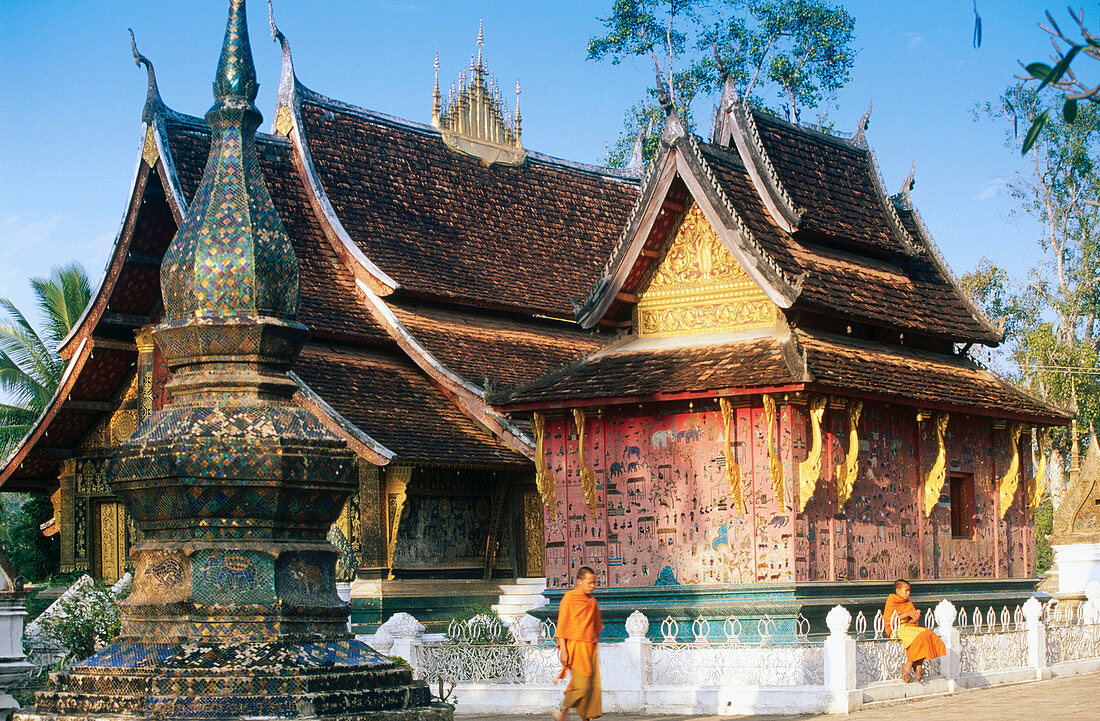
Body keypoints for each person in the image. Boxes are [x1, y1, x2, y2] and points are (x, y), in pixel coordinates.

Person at [551, 566, 602, 721]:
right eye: (590, 582)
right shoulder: (569, 598)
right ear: (579, 581)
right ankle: (563, 709)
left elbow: (596, 625)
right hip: (574, 649)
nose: (593, 586)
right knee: (582, 686)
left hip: (589, 649)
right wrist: (564, 650)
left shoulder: (591, 602)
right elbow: (562, 625)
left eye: (594, 583)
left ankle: (585, 718)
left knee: (591, 687)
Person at [884, 578, 946, 682]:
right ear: (897, 591)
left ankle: (913, 663)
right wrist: (907, 614)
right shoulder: (892, 600)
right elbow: (891, 619)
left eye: (909, 591)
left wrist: (914, 618)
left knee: (928, 634)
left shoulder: (908, 604)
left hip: (908, 628)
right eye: (906, 590)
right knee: (920, 637)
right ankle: (915, 665)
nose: (908, 593)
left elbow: (911, 623)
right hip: (897, 629)